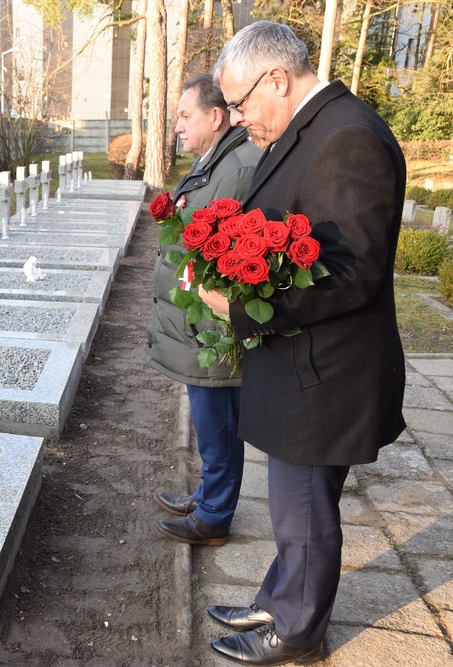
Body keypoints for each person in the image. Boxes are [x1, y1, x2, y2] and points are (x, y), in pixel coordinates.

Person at [199, 21, 406, 666]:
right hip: (303, 364)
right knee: (293, 504)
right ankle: (279, 597)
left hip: (327, 371)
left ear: (278, 80)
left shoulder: (346, 137)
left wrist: (244, 305)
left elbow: (353, 272)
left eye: (239, 104)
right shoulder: (312, 128)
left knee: (305, 510)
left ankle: (297, 630)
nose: (236, 119)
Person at [148, 73, 261, 546]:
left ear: (215, 117)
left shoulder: (236, 167)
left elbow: (228, 253)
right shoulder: (216, 161)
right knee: (211, 419)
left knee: (219, 420)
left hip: (211, 325)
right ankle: (209, 493)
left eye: (184, 116)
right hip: (197, 320)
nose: (176, 126)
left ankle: (215, 515)